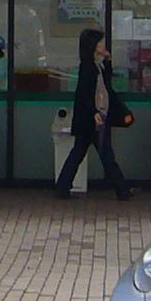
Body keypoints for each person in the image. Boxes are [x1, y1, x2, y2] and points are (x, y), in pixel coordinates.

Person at [56, 26, 132, 201]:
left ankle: (63, 186)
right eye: (99, 42)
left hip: (91, 119)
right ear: (93, 45)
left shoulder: (96, 65)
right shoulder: (88, 67)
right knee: (104, 155)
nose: (103, 45)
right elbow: (85, 93)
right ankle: (122, 190)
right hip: (93, 119)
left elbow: (106, 84)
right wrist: (94, 112)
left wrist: (108, 60)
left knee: (79, 153)